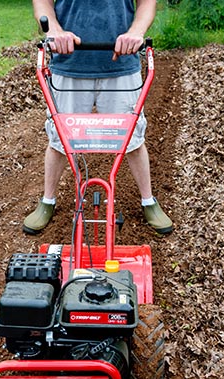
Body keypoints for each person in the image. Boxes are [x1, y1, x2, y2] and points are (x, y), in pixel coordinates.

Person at [23, 0, 173, 235]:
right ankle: (47, 201)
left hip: (121, 62)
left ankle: (148, 201)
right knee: (60, 139)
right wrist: (54, 31)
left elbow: (147, 3)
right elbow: (42, 3)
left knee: (131, 138)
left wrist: (135, 32)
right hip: (69, 63)